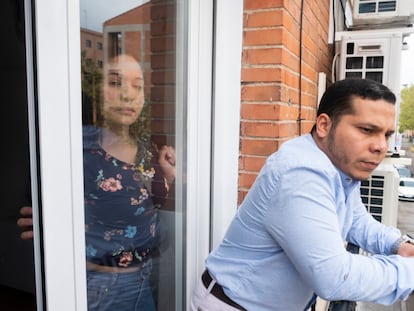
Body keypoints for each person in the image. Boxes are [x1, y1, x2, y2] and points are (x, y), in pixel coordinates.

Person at [190, 78, 414, 311]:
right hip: (232, 305)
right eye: (367, 130)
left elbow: (356, 220)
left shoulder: (341, 167)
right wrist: (408, 272)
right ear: (324, 125)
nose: (380, 146)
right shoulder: (301, 173)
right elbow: (334, 276)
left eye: (386, 135)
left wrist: (398, 245)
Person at [17, 54, 175, 311]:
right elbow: (46, 198)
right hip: (103, 288)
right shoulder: (79, 146)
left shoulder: (147, 147)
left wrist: (166, 177)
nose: (128, 94)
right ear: (97, 91)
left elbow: (142, 204)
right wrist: (52, 219)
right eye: (115, 83)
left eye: (138, 85)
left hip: (146, 279)